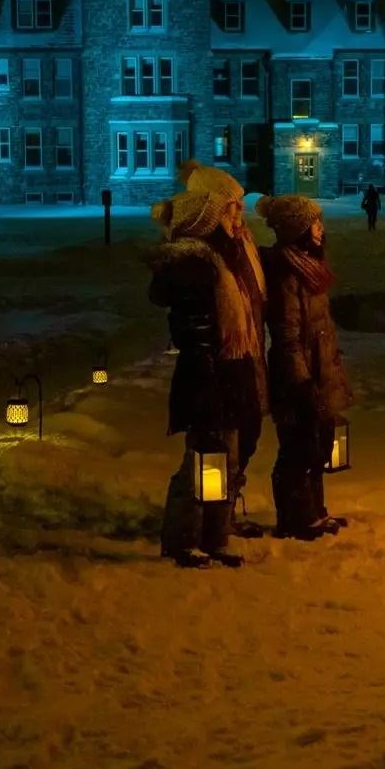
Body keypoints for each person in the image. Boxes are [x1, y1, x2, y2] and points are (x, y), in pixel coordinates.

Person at [148, 164, 269, 568]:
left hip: (231, 370)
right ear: (211, 214)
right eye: (230, 208)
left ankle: (216, 535)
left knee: (226, 458)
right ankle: (183, 537)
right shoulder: (197, 265)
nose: (239, 215)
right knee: (203, 459)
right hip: (209, 375)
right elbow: (196, 332)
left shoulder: (231, 255)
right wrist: (209, 378)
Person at [257, 194, 354, 539]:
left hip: (319, 371)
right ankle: (296, 518)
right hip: (299, 377)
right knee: (299, 447)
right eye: (314, 223)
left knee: (318, 443)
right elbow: (288, 335)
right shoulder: (288, 274)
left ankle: (315, 510)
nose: (320, 228)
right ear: (297, 229)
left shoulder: (310, 267)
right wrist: (301, 383)